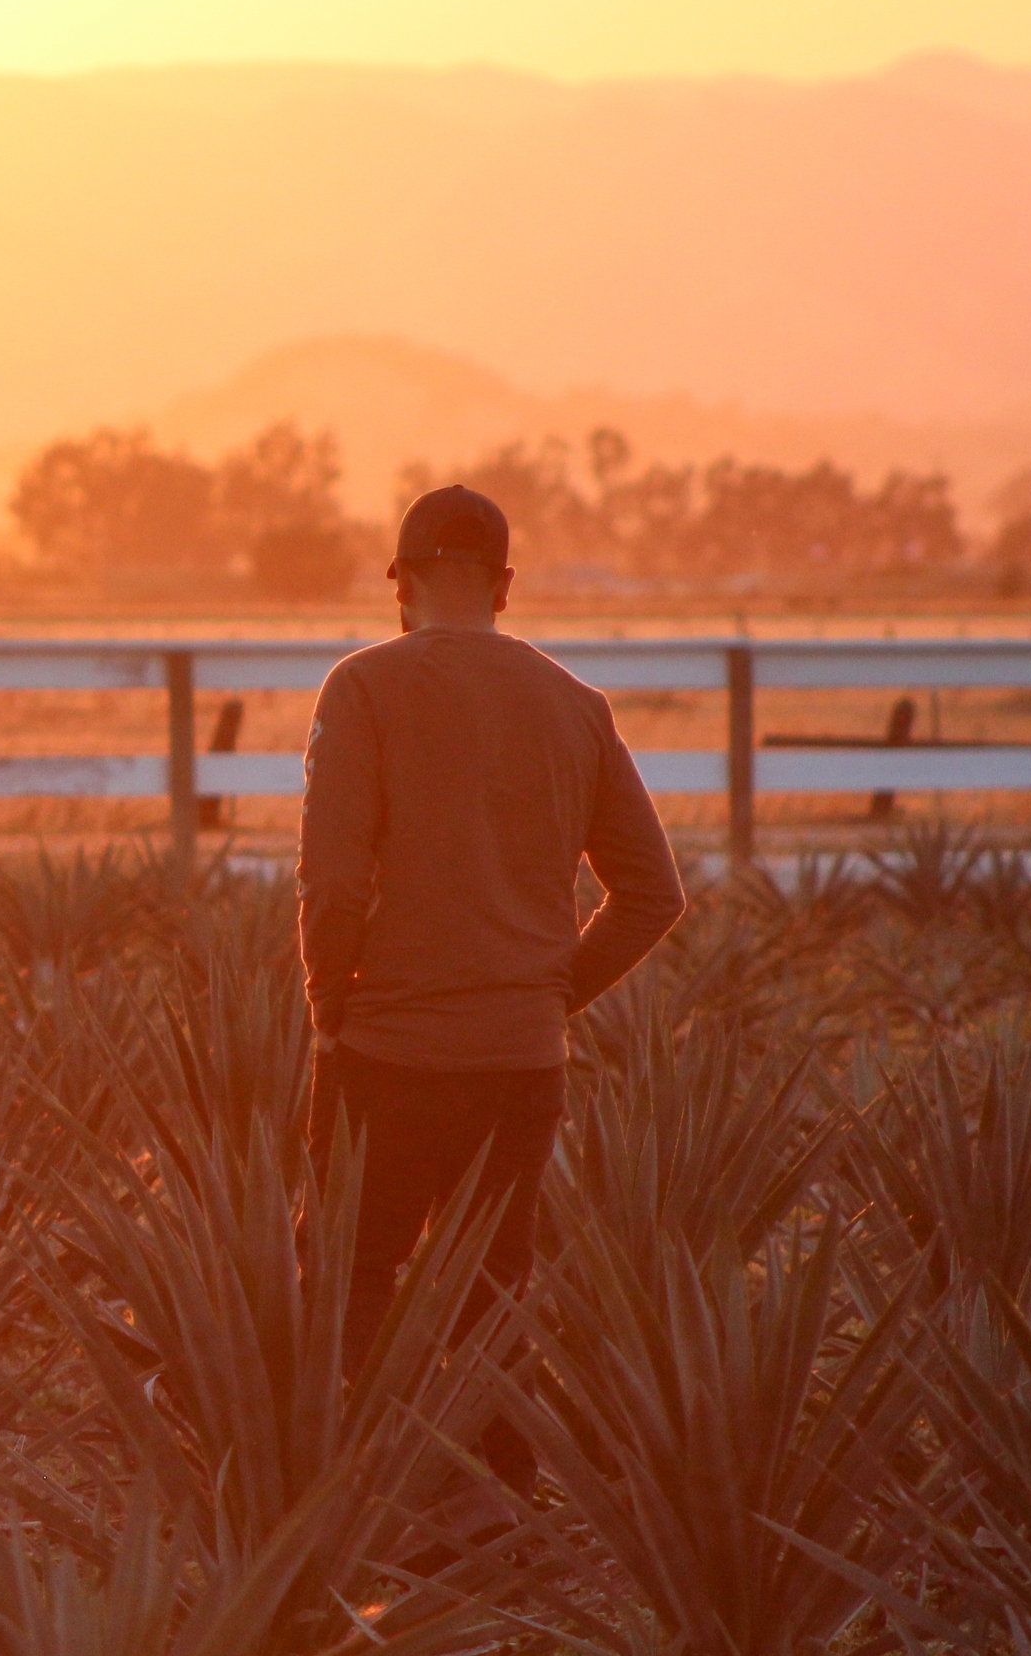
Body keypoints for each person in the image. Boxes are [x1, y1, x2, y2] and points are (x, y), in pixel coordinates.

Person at [297, 484, 684, 1489]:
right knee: (493, 1289)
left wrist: (331, 1012)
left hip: (391, 1048)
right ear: (505, 585)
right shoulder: (576, 704)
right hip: (521, 1061)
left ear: (403, 581)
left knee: (357, 1276)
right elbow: (651, 893)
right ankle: (497, 1509)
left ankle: (369, 1496)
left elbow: (334, 879)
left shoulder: (365, 687)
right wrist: (550, 992)